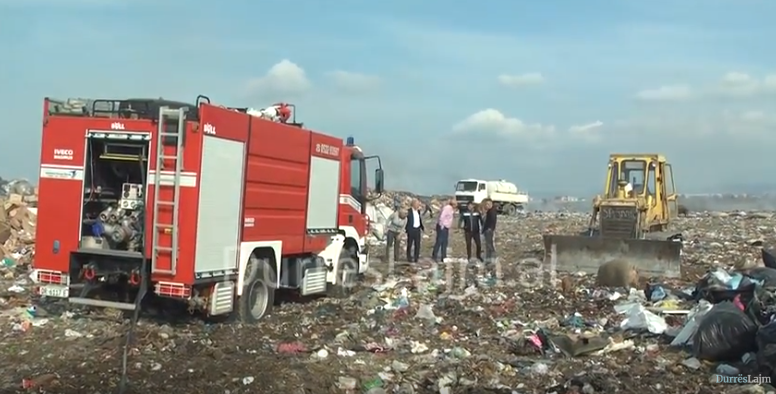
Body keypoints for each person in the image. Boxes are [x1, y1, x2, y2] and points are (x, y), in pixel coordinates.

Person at [481, 198, 498, 263]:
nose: (487, 205)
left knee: (489, 245)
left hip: (489, 231)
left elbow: (491, 221)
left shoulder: (492, 211)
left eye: (488, 204)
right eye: (486, 204)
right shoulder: (490, 211)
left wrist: (490, 229)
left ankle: (491, 258)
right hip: (488, 230)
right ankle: (489, 258)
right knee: (488, 245)